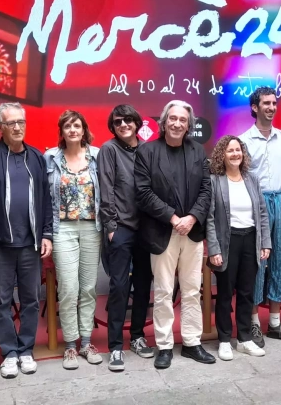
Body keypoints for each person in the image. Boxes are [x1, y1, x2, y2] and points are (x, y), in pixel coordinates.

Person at [0, 102, 53, 378]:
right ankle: (9, 352)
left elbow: (46, 200)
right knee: (1, 301)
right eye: (11, 123)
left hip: (30, 244)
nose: (17, 128)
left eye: (21, 122)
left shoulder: (36, 157)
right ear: (0, 127)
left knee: (31, 300)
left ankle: (26, 350)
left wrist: (46, 234)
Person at [134, 99, 215, 369]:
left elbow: (206, 190)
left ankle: (191, 342)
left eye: (183, 120)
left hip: (192, 231)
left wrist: (191, 218)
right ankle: (165, 346)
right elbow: (143, 193)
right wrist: (173, 218)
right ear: (164, 121)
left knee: (192, 290)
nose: (177, 123)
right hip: (162, 231)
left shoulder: (198, 151)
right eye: (173, 118)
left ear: (188, 125)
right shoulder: (147, 151)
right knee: (163, 291)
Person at [238, 86, 281, 346]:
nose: (271, 107)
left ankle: (275, 323)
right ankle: (253, 323)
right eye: (266, 103)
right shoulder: (244, 140)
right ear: (255, 107)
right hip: (258, 202)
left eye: (274, 103)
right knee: (257, 263)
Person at [44, 110, 103, 369]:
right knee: (68, 288)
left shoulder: (97, 155)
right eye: (67, 126)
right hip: (62, 229)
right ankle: (70, 345)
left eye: (77, 125)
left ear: (84, 129)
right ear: (62, 131)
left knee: (88, 287)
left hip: (92, 227)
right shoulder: (50, 158)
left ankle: (86, 342)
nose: (72, 130)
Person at [98, 104, 155, 372]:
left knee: (143, 286)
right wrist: (111, 225)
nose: (123, 125)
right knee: (119, 287)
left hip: (146, 229)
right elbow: (106, 189)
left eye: (128, 120)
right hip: (120, 227)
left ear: (137, 123)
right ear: (113, 126)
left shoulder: (148, 149)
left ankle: (138, 337)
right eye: (118, 121)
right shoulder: (109, 150)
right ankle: (115, 346)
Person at [206, 135, 271, 361]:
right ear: (221, 155)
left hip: (250, 240)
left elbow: (262, 212)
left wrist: (265, 242)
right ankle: (224, 340)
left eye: (238, 150)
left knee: (246, 293)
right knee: (225, 294)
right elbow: (210, 218)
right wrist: (213, 249)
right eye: (230, 150)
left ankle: (244, 339)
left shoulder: (251, 179)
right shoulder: (215, 181)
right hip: (227, 242)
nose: (235, 154)